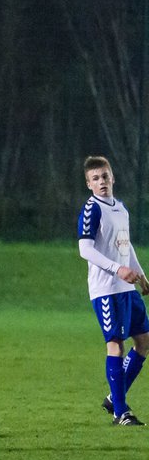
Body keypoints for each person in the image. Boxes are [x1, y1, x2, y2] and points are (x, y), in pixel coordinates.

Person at [77, 155, 149, 426]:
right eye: (95, 178)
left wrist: (140, 275)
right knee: (115, 345)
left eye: (105, 176)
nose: (101, 182)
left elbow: (125, 245)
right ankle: (121, 412)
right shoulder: (91, 209)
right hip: (106, 290)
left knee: (144, 342)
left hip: (127, 288)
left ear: (112, 177)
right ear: (89, 184)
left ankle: (113, 399)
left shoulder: (120, 207)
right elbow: (85, 248)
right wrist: (117, 270)